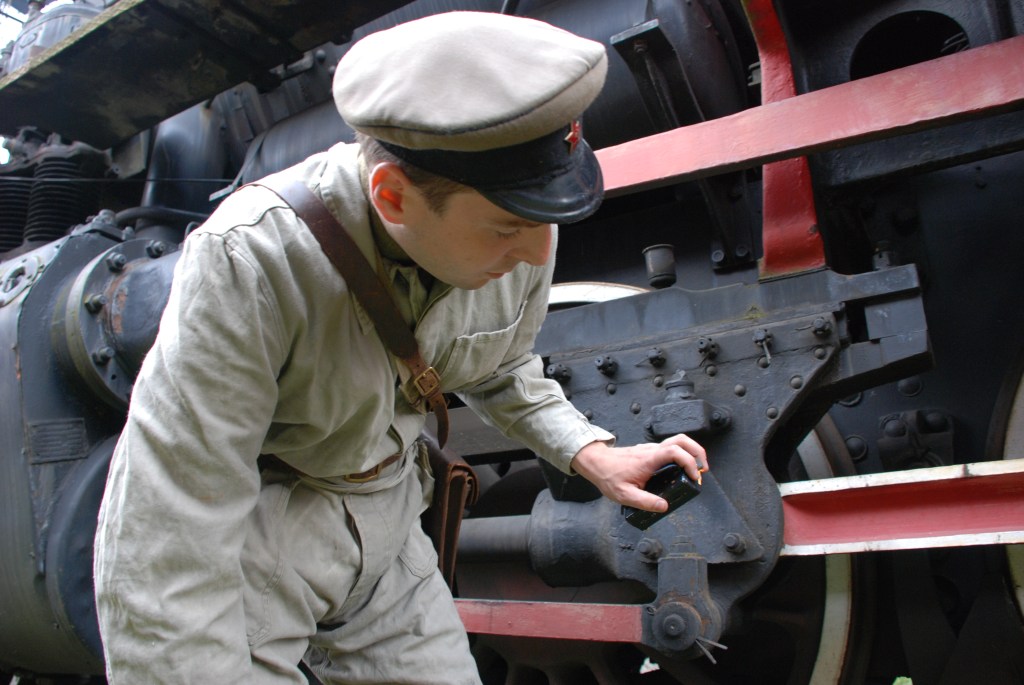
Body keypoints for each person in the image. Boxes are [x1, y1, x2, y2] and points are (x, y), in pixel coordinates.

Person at [93, 10, 707, 685]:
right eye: (508, 228)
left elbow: (500, 365)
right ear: (392, 197)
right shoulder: (251, 259)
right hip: (262, 549)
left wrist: (592, 454)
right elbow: (173, 523)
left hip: (390, 539)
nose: (539, 252)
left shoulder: (524, 225)